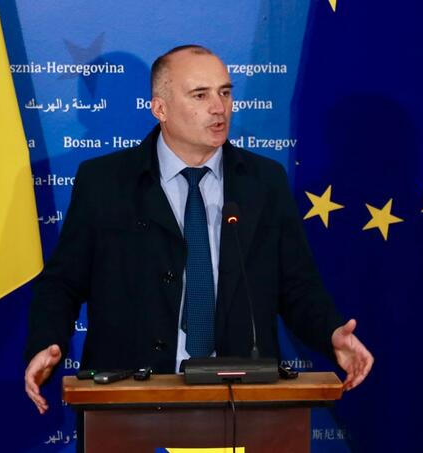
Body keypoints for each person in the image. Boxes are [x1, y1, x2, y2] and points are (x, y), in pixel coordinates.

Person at [24, 45, 374, 415]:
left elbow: (297, 286)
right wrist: (46, 343)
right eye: (200, 95)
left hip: (241, 401)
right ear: (160, 109)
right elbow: (63, 283)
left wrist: (331, 333)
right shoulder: (105, 182)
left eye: (225, 92)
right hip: (130, 401)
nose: (219, 107)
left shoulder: (264, 182)